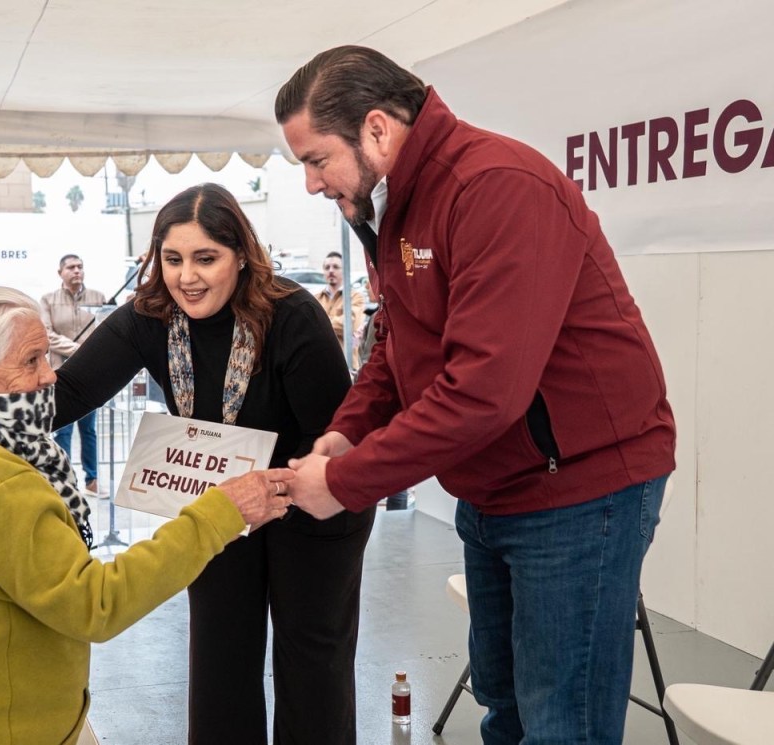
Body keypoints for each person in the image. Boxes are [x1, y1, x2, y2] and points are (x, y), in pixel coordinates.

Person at [275, 46, 677, 745]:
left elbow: (485, 390)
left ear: (375, 129)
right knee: (505, 703)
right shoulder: (395, 207)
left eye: (316, 159)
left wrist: (345, 480)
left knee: (561, 723)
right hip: (495, 486)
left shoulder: (497, 187)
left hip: (580, 489)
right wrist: (348, 431)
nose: (311, 184)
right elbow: (401, 342)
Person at [0, 286, 293, 745]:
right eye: (31, 361)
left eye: (47, 357)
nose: (50, 377)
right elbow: (94, 603)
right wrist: (218, 514)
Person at [54, 184, 376, 745]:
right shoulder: (148, 317)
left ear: (241, 256)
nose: (187, 277)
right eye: (173, 259)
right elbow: (73, 389)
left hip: (313, 502)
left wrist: (280, 489)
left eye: (206, 258)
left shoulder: (291, 313)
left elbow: (334, 435)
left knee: (311, 662)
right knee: (219, 656)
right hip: (221, 501)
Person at [40, 254, 106, 497]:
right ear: (60, 272)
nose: (76, 271)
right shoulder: (48, 300)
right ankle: (63, 479)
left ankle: (92, 479)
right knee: (63, 429)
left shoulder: (98, 298)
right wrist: (81, 351)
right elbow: (47, 334)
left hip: (92, 376)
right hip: (61, 374)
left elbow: (107, 330)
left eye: (80, 266)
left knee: (89, 430)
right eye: (71, 267)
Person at [315, 251, 365, 369]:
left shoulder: (355, 297)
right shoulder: (315, 299)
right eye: (327, 267)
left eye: (336, 267)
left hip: (346, 364)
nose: (331, 270)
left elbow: (349, 324)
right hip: (321, 363)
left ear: (344, 270)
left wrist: (319, 324)